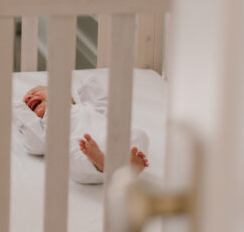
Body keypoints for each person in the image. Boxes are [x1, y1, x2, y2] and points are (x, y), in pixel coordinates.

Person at [14, 72, 150, 184]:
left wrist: (89, 87)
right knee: (66, 156)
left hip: (112, 141)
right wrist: (18, 109)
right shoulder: (44, 125)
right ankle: (103, 163)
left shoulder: (86, 107)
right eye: (25, 104)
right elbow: (35, 142)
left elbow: (108, 111)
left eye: (35, 92)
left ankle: (125, 165)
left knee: (139, 135)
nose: (29, 98)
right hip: (85, 152)